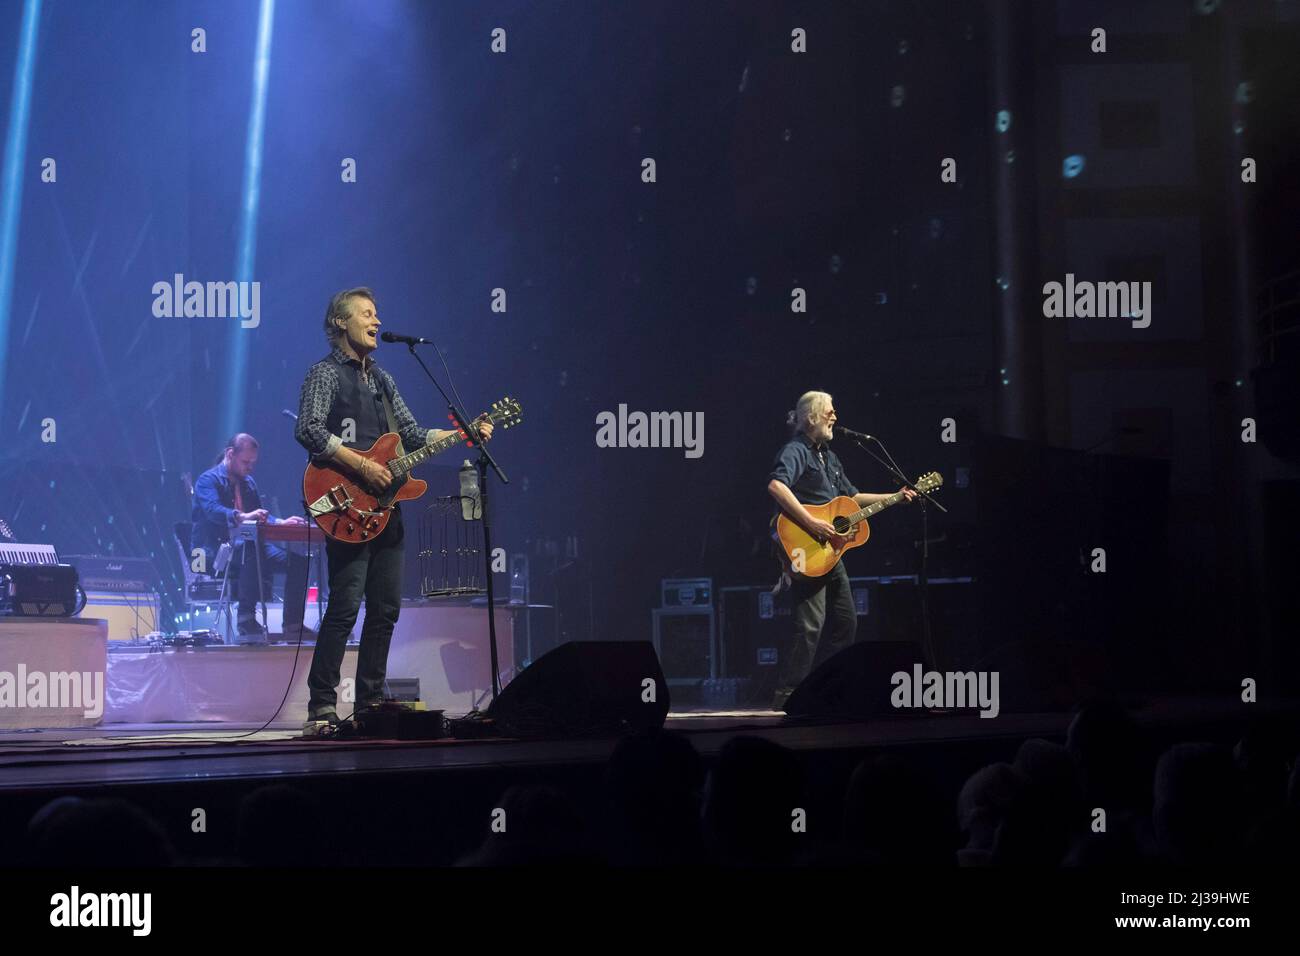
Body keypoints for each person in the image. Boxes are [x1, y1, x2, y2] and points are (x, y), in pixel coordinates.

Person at [294, 287, 492, 728]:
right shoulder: (325, 373)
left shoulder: (382, 379)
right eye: (367, 313)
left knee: (385, 610)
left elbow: (413, 434)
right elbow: (307, 429)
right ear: (340, 322)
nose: (377, 320)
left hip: (386, 509)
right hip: (345, 504)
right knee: (344, 608)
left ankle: (368, 705)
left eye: (377, 313)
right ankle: (321, 704)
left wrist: (465, 433)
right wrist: (361, 465)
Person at [766, 390, 915, 710]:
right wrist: (812, 524)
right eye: (829, 412)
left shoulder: (829, 457)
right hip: (807, 545)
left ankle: (825, 689)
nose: (835, 416)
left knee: (847, 622)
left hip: (830, 552)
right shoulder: (796, 450)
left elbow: (853, 498)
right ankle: (787, 696)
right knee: (810, 625)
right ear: (811, 417)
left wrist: (897, 497)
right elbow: (777, 486)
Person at [191, 433, 311, 643]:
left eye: (253, 463)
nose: (250, 467)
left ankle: (293, 624)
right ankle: (245, 620)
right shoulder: (207, 481)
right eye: (246, 462)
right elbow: (213, 511)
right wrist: (243, 516)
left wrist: (280, 522)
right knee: (251, 551)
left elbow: (259, 513)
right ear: (230, 454)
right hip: (217, 552)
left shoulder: (249, 483)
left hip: (248, 546)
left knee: (299, 561)